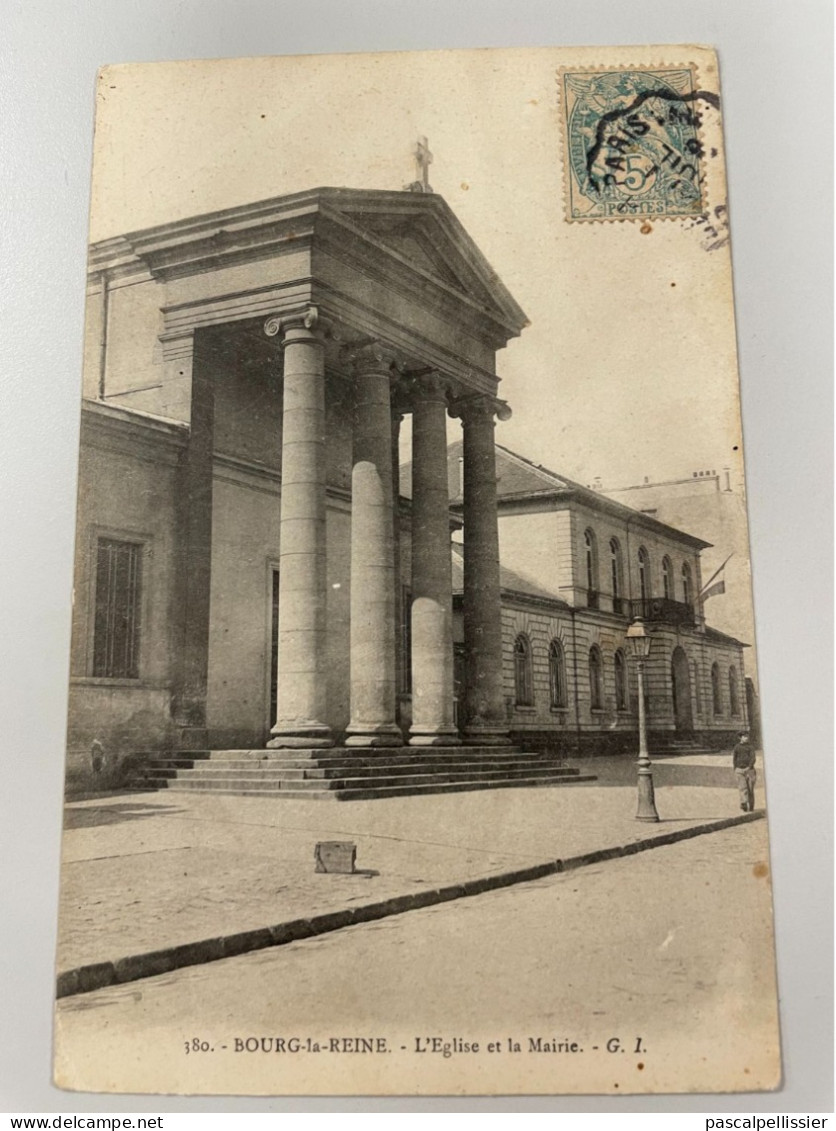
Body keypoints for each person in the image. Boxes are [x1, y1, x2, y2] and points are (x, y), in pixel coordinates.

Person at [733, 731, 756, 812]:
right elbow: (734, 759)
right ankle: (744, 804)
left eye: (747, 736)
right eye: (744, 736)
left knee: (750, 789)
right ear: (740, 738)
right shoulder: (737, 747)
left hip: (750, 770)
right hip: (739, 770)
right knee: (743, 788)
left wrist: (749, 767)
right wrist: (735, 768)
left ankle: (751, 806)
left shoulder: (751, 747)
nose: (746, 738)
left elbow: (753, 758)